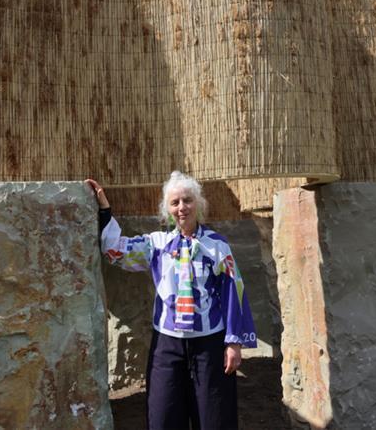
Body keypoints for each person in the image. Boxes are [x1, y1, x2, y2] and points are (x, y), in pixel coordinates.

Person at [86, 171, 257, 430]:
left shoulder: (217, 246)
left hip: (209, 345)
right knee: (163, 417)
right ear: (166, 209)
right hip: (167, 346)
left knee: (214, 419)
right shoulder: (157, 244)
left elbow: (235, 291)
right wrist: (105, 209)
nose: (181, 208)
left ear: (198, 204)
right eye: (174, 203)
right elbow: (115, 251)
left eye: (187, 200)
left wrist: (233, 343)